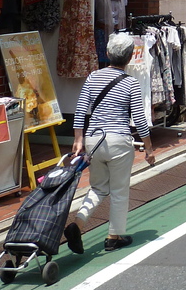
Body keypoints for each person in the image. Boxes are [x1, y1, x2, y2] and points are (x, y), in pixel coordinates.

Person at [65, 33, 155, 254]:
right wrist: (149, 148)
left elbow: (81, 110)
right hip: (119, 142)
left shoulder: (93, 77)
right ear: (130, 57)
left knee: (97, 187)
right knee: (119, 190)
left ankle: (78, 223)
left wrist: (78, 139)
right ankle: (114, 236)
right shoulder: (131, 83)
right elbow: (140, 119)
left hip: (94, 140)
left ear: (107, 54)